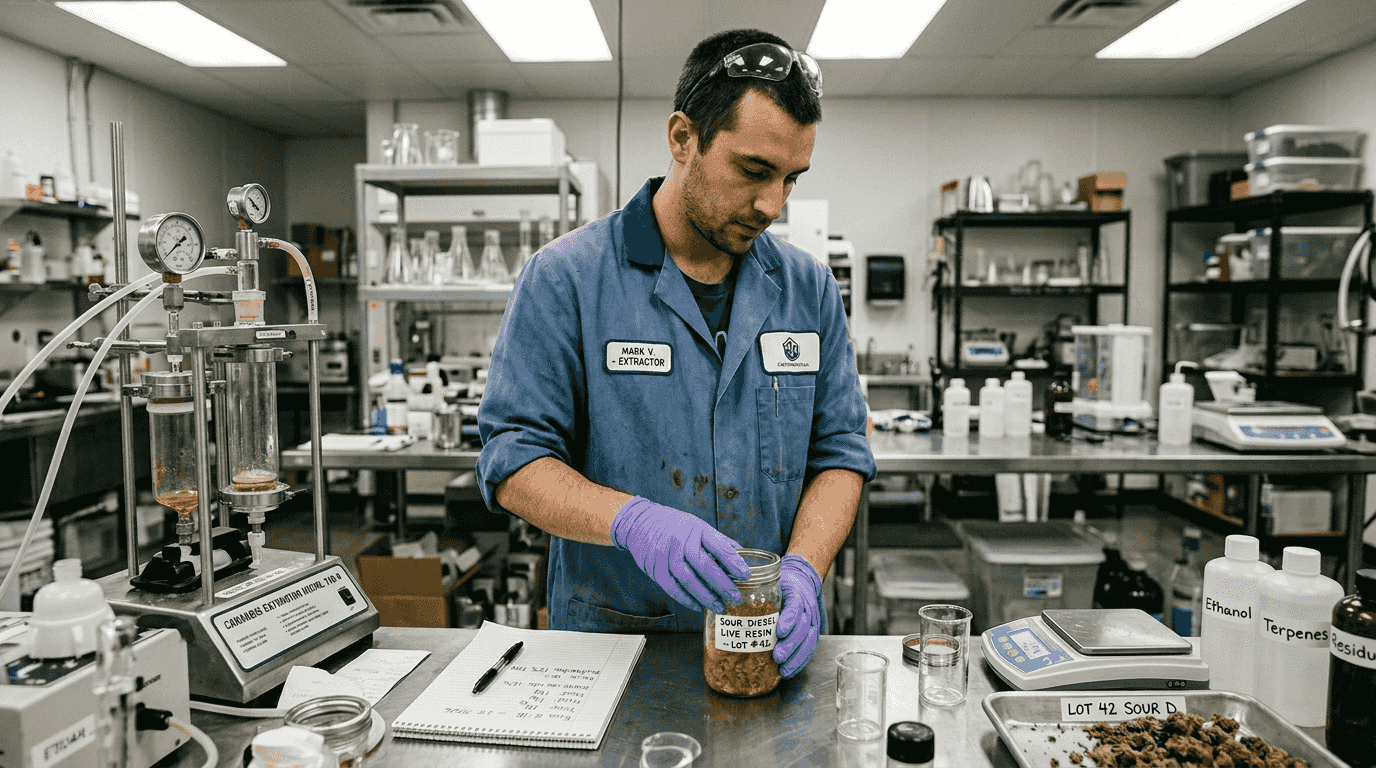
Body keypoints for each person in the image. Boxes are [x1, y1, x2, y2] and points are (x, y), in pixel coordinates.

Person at [477, 28, 875, 679]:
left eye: (790, 179)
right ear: (682, 138)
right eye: (753, 171)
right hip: (616, 651)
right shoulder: (568, 279)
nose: (772, 204)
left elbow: (840, 453)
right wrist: (632, 521)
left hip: (764, 645)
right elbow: (512, 460)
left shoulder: (808, 289)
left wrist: (803, 566)